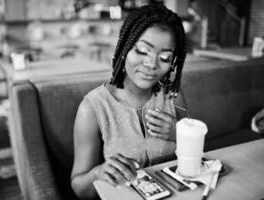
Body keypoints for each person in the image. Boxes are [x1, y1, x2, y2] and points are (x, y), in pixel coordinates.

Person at [71, 4, 188, 199]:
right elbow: (79, 189)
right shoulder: (93, 108)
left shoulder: (173, 96)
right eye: (142, 50)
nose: (151, 64)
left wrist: (179, 133)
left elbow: (197, 152)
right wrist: (98, 173)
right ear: (125, 46)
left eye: (165, 57)